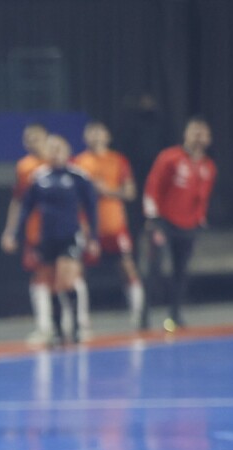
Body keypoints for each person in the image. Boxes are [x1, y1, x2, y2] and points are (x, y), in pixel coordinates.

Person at [2, 135, 99, 344]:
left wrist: (93, 236)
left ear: (67, 152)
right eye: (51, 149)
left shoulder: (77, 176)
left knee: (66, 279)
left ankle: (76, 326)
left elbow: (91, 206)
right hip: (47, 237)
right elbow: (26, 207)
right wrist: (15, 234)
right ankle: (56, 330)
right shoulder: (39, 177)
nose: (55, 153)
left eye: (59, 149)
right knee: (52, 284)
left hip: (71, 235)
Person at [142, 117, 217, 331]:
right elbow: (153, 186)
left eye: (202, 133)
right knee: (155, 267)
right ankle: (144, 315)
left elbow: (203, 197)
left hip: (189, 225)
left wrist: (200, 219)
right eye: (194, 132)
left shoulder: (208, 166)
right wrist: (152, 217)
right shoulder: (170, 157)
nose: (198, 137)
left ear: (209, 139)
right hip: (163, 222)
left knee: (181, 271)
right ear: (185, 134)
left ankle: (175, 314)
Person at [73, 120, 144, 329]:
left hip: (114, 225)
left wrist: (107, 191)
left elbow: (130, 192)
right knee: (78, 270)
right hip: (88, 226)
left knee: (127, 267)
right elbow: (74, 196)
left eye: (99, 132)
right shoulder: (78, 162)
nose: (95, 136)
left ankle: (138, 314)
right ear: (85, 138)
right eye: (91, 133)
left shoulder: (118, 160)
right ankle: (81, 318)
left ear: (108, 137)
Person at [2, 123, 55, 346]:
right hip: (36, 230)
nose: (33, 142)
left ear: (46, 138)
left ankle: (77, 324)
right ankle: (45, 327)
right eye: (28, 139)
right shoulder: (24, 167)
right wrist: (10, 231)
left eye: (37, 137)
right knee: (39, 275)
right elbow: (18, 200)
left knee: (68, 274)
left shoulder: (58, 160)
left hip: (62, 227)